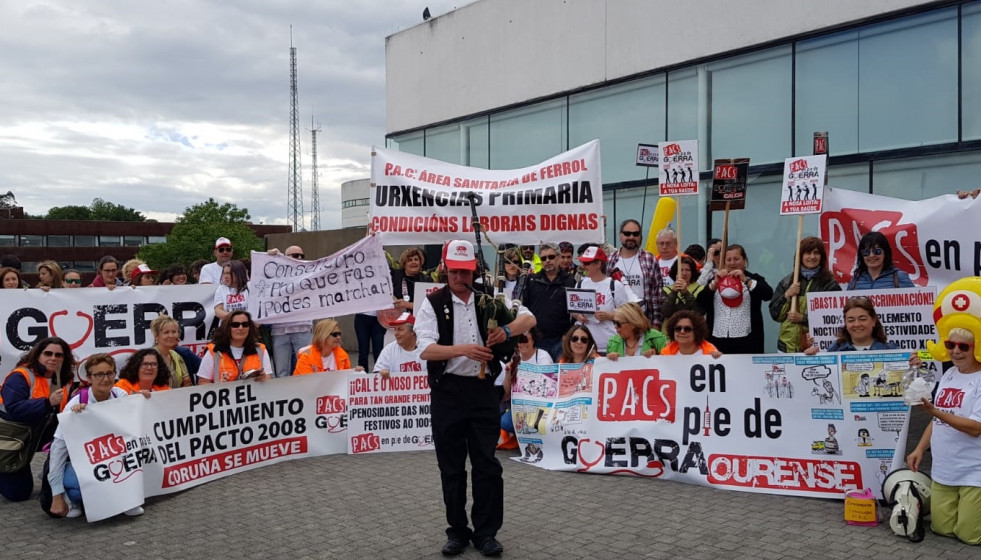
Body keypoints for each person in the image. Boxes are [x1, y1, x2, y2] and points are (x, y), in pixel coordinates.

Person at [416, 239, 536, 557]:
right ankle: (457, 530)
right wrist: (463, 349)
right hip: (448, 392)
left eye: (465, 271)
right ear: (445, 269)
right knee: (451, 467)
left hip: (483, 392)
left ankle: (486, 533)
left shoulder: (491, 297)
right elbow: (424, 349)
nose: (460, 278)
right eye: (454, 271)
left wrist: (507, 332)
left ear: (474, 269)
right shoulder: (433, 302)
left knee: (487, 464)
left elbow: (529, 319)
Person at [907, 327, 981, 545]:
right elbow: (938, 420)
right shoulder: (949, 374)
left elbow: (976, 427)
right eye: (950, 345)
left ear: (976, 348)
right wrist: (920, 448)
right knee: (941, 529)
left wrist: (934, 411)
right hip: (945, 468)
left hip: (974, 471)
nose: (955, 351)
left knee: (969, 536)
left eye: (963, 346)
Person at [47, 354, 140, 518]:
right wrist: (56, 495)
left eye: (109, 373)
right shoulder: (75, 405)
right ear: (89, 378)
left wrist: (145, 400)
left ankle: (127, 499)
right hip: (83, 462)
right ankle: (72, 499)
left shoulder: (121, 396)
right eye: (98, 375)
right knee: (77, 486)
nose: (105, 379)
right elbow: (57, 450)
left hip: (116, 457)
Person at [0, 337, 73, 502]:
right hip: (14, 436)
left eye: (59, 355)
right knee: (18, 494)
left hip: (42, 431)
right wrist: (47, 403)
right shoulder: (20, 376)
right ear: (38, 355)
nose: (53, 358)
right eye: (48, 353)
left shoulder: (66, 377)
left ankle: (52, 474)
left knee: (71, 438)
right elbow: (14, 408)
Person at [769, 236, 842, 353]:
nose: (812, 257)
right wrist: (787, 295)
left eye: (816, 253)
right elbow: (775, 315)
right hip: (787, 347)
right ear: (800, 256)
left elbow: (835, 319)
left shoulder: (829, 284)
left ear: (821, 257)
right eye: (807, 253)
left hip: (815, 348)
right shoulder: (788, 281)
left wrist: (803, 318)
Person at [697, 244, 773, 354]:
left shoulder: (754, 278)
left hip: (748, 341)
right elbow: (700, 304)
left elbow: (768, 294)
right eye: (729, 260)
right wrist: (714, 284)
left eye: (736, 259)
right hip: (718, 340)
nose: (732, 263)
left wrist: (746, 280)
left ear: (744, 260)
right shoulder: (716, 279)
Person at [570, 246, 640, 353]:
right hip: (584, 345)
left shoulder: (614, 285)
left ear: (598, 264)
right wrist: (578, 316)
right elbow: (573, 310)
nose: (583, 266)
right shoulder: (580, 284)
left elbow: (628, 314)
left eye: (587, 263)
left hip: (608, 344)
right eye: (583, 263)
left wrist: (609, 315)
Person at [521, 242, 576, 360]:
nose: (547, 260)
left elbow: (575, 311)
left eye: (551, 257)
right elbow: (525, 308)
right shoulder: (532, 280)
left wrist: (568, 334)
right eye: (544, 258)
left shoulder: (570, 280)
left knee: (560, 376)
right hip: (538, 340)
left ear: (558, 257)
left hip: (560, 340)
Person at [607, 219, 665, 329]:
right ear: (620, 236)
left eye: (636, 234)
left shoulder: (650, 259)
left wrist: (656, 325)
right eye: (627, 233)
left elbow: (658, 295)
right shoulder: (610, 260)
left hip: (643, 322)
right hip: (616, 325)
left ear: (640, 237)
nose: (631, 237)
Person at [268, 246, 313, 378]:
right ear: (285, 257)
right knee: (282, 371)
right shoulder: (275, 273)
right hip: (280, 330)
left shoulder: (310, 273)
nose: (299, 258)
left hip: (302, 328)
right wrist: (271, 258)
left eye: (301, 256)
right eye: (294, 256)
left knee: (307, 367)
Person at [198, 311, 272, 383]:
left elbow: (268, 378)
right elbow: (203, 382)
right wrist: (219, 387)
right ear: (227, 327)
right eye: (235, 325)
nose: (240, 328)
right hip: (224, 395)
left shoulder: (260, 349)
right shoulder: (213, 350)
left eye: (245, 324)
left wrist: (263, 378)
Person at [804, 297, 896, 353]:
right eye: (851, 320)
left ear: (873, 320)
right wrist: (812, 358)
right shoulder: (835, 349)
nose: (857, 324)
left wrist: (910, 361)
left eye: (862, 319)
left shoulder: (892, 350)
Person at [847, 231, 914, 290]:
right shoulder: (855, 279)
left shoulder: (899, 277)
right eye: (866, 252)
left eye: (877, 251)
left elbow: (914, 302)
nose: (871, 255)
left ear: (885, 253)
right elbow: (847, 303)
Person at [293, 319, 357, 374]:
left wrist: (355, 372)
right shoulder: (306, 357)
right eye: (335, 334)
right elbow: (306, 384)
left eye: (339, 334)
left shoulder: (342, 355)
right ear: (323, 335)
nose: (338, 337)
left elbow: (346, 379)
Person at [373, 313, 424, 379]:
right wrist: (381, 372)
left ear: (413, 331)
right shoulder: (389, 349)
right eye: (395, 329)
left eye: (400, 329)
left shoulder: (426, 348)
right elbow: (376, 373)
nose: (396, 333)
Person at [150, 315, 195, 387]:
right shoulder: (148, 358)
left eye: (174, 332)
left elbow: (187, 385)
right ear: (156, 336)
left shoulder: (177, 357)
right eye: (166, 332)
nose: (171, 335)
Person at [661, 255, 706, 320]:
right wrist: (673, 293)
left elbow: (699, 312)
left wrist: (685, 293)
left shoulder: (701, 289)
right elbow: (665, 312)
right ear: (675, 272)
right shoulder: (666, 290)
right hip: (669, 328)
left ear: (692, 272)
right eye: (681, 270)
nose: (684, 273)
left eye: (687, 270)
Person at [392, 247, 426, 313]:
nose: (413, 262)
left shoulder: (426, 280)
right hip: (397, 318)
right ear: (404, 264)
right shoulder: (395, 275)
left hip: (418, 318)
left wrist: (408, 305)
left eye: (416, 259)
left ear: (420, 263)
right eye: (410, 260)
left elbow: (428, 306)